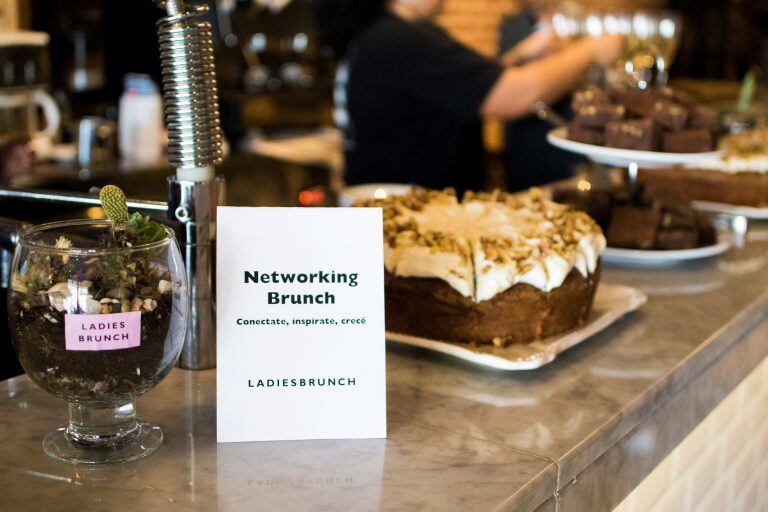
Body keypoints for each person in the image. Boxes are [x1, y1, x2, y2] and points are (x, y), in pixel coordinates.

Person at [316, 0, 622, 193]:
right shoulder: (404, 40)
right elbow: (515, 96)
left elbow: (464, 88)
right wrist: (591, 50)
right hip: (413, 213)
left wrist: (516, 57)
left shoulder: (380, 34)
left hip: (389, 203)